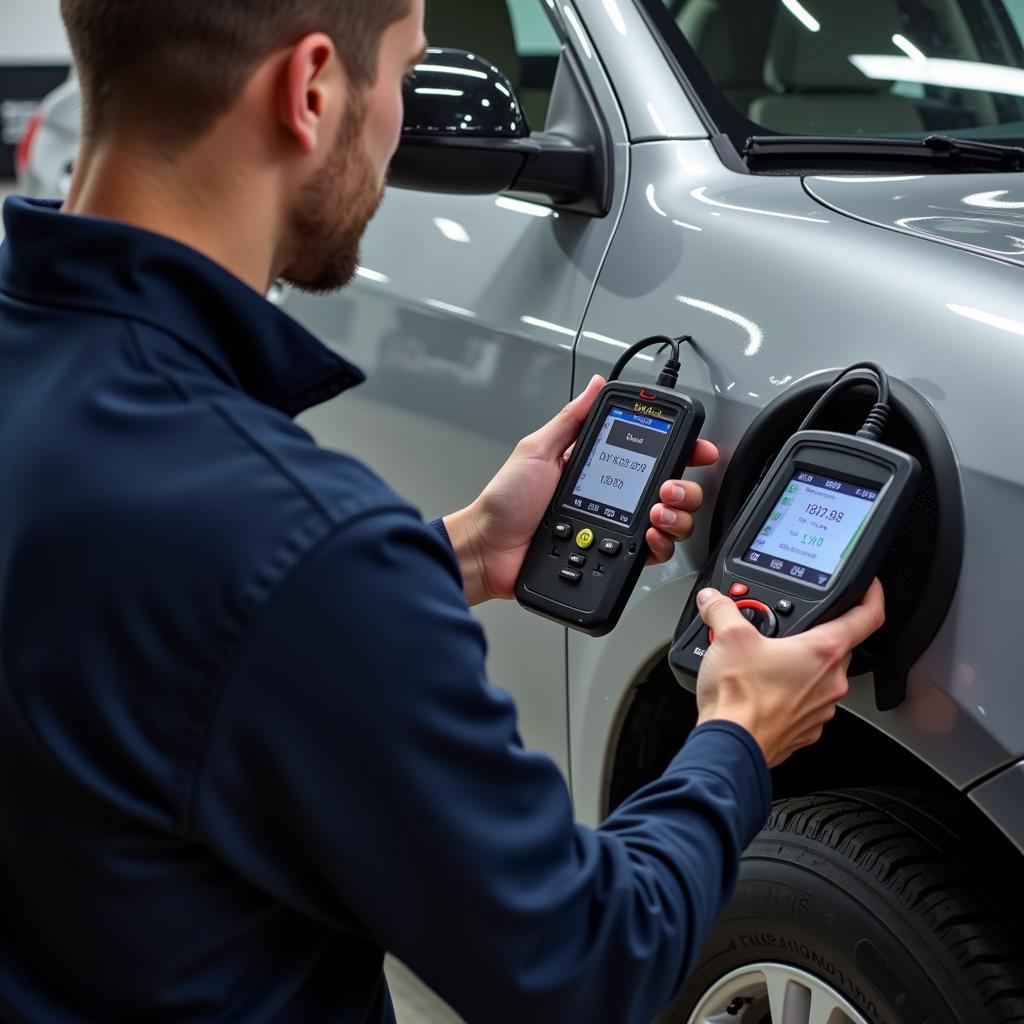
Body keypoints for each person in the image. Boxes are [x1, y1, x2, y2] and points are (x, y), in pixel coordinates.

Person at [0, 0, 885, 1021]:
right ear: (312, 89)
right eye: (405, 81)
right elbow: (586, 961)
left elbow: (145, 621)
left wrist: (464, 549)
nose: (398, 129)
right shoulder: (298, 544)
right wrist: (737, 733)